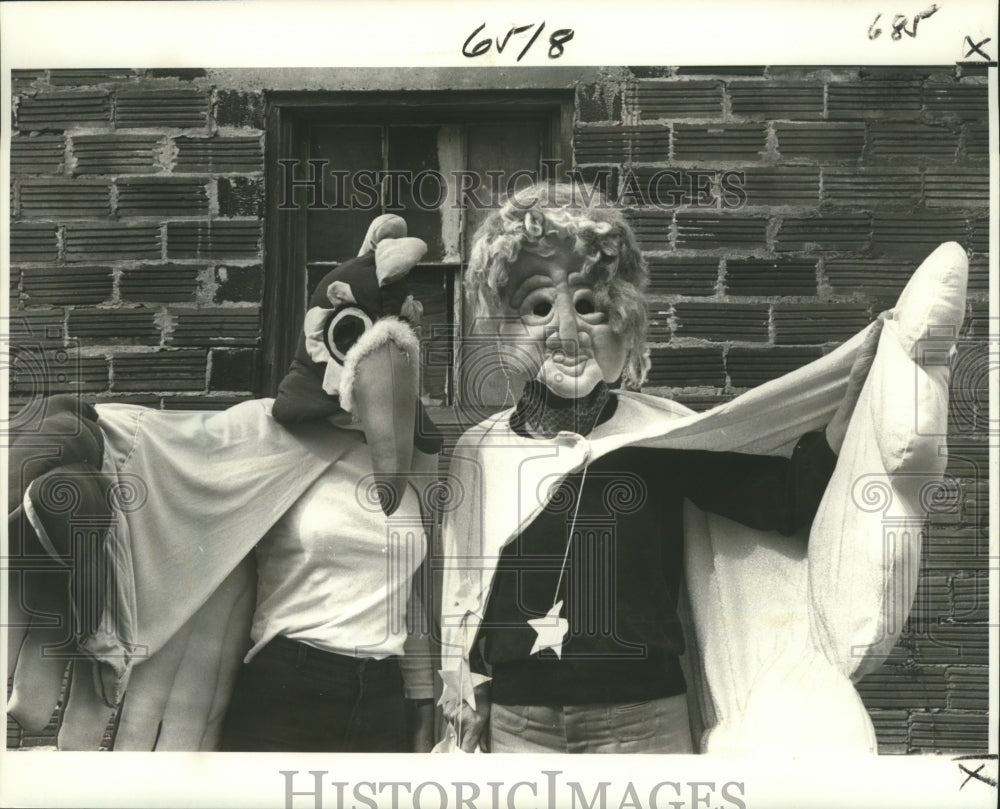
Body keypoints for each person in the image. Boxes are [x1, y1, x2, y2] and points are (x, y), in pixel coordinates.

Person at [437, 182, 882, 754]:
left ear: (621, 317)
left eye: (587, 306)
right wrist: (467, 689)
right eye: (540, 307)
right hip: (521, 722)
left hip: (640, 719)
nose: (565, 332)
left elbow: (783, 502)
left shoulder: (660, 434)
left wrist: (849, 410)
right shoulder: (480, 450)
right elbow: (465, 586)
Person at [7, 215, 438, 752]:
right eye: (357, 333)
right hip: (289, 687)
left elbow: (411, 587)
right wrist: (79, 438)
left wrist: (423, 702)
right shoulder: (271, 435)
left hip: (381, 700)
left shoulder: (413, 461)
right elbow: (165, 451)